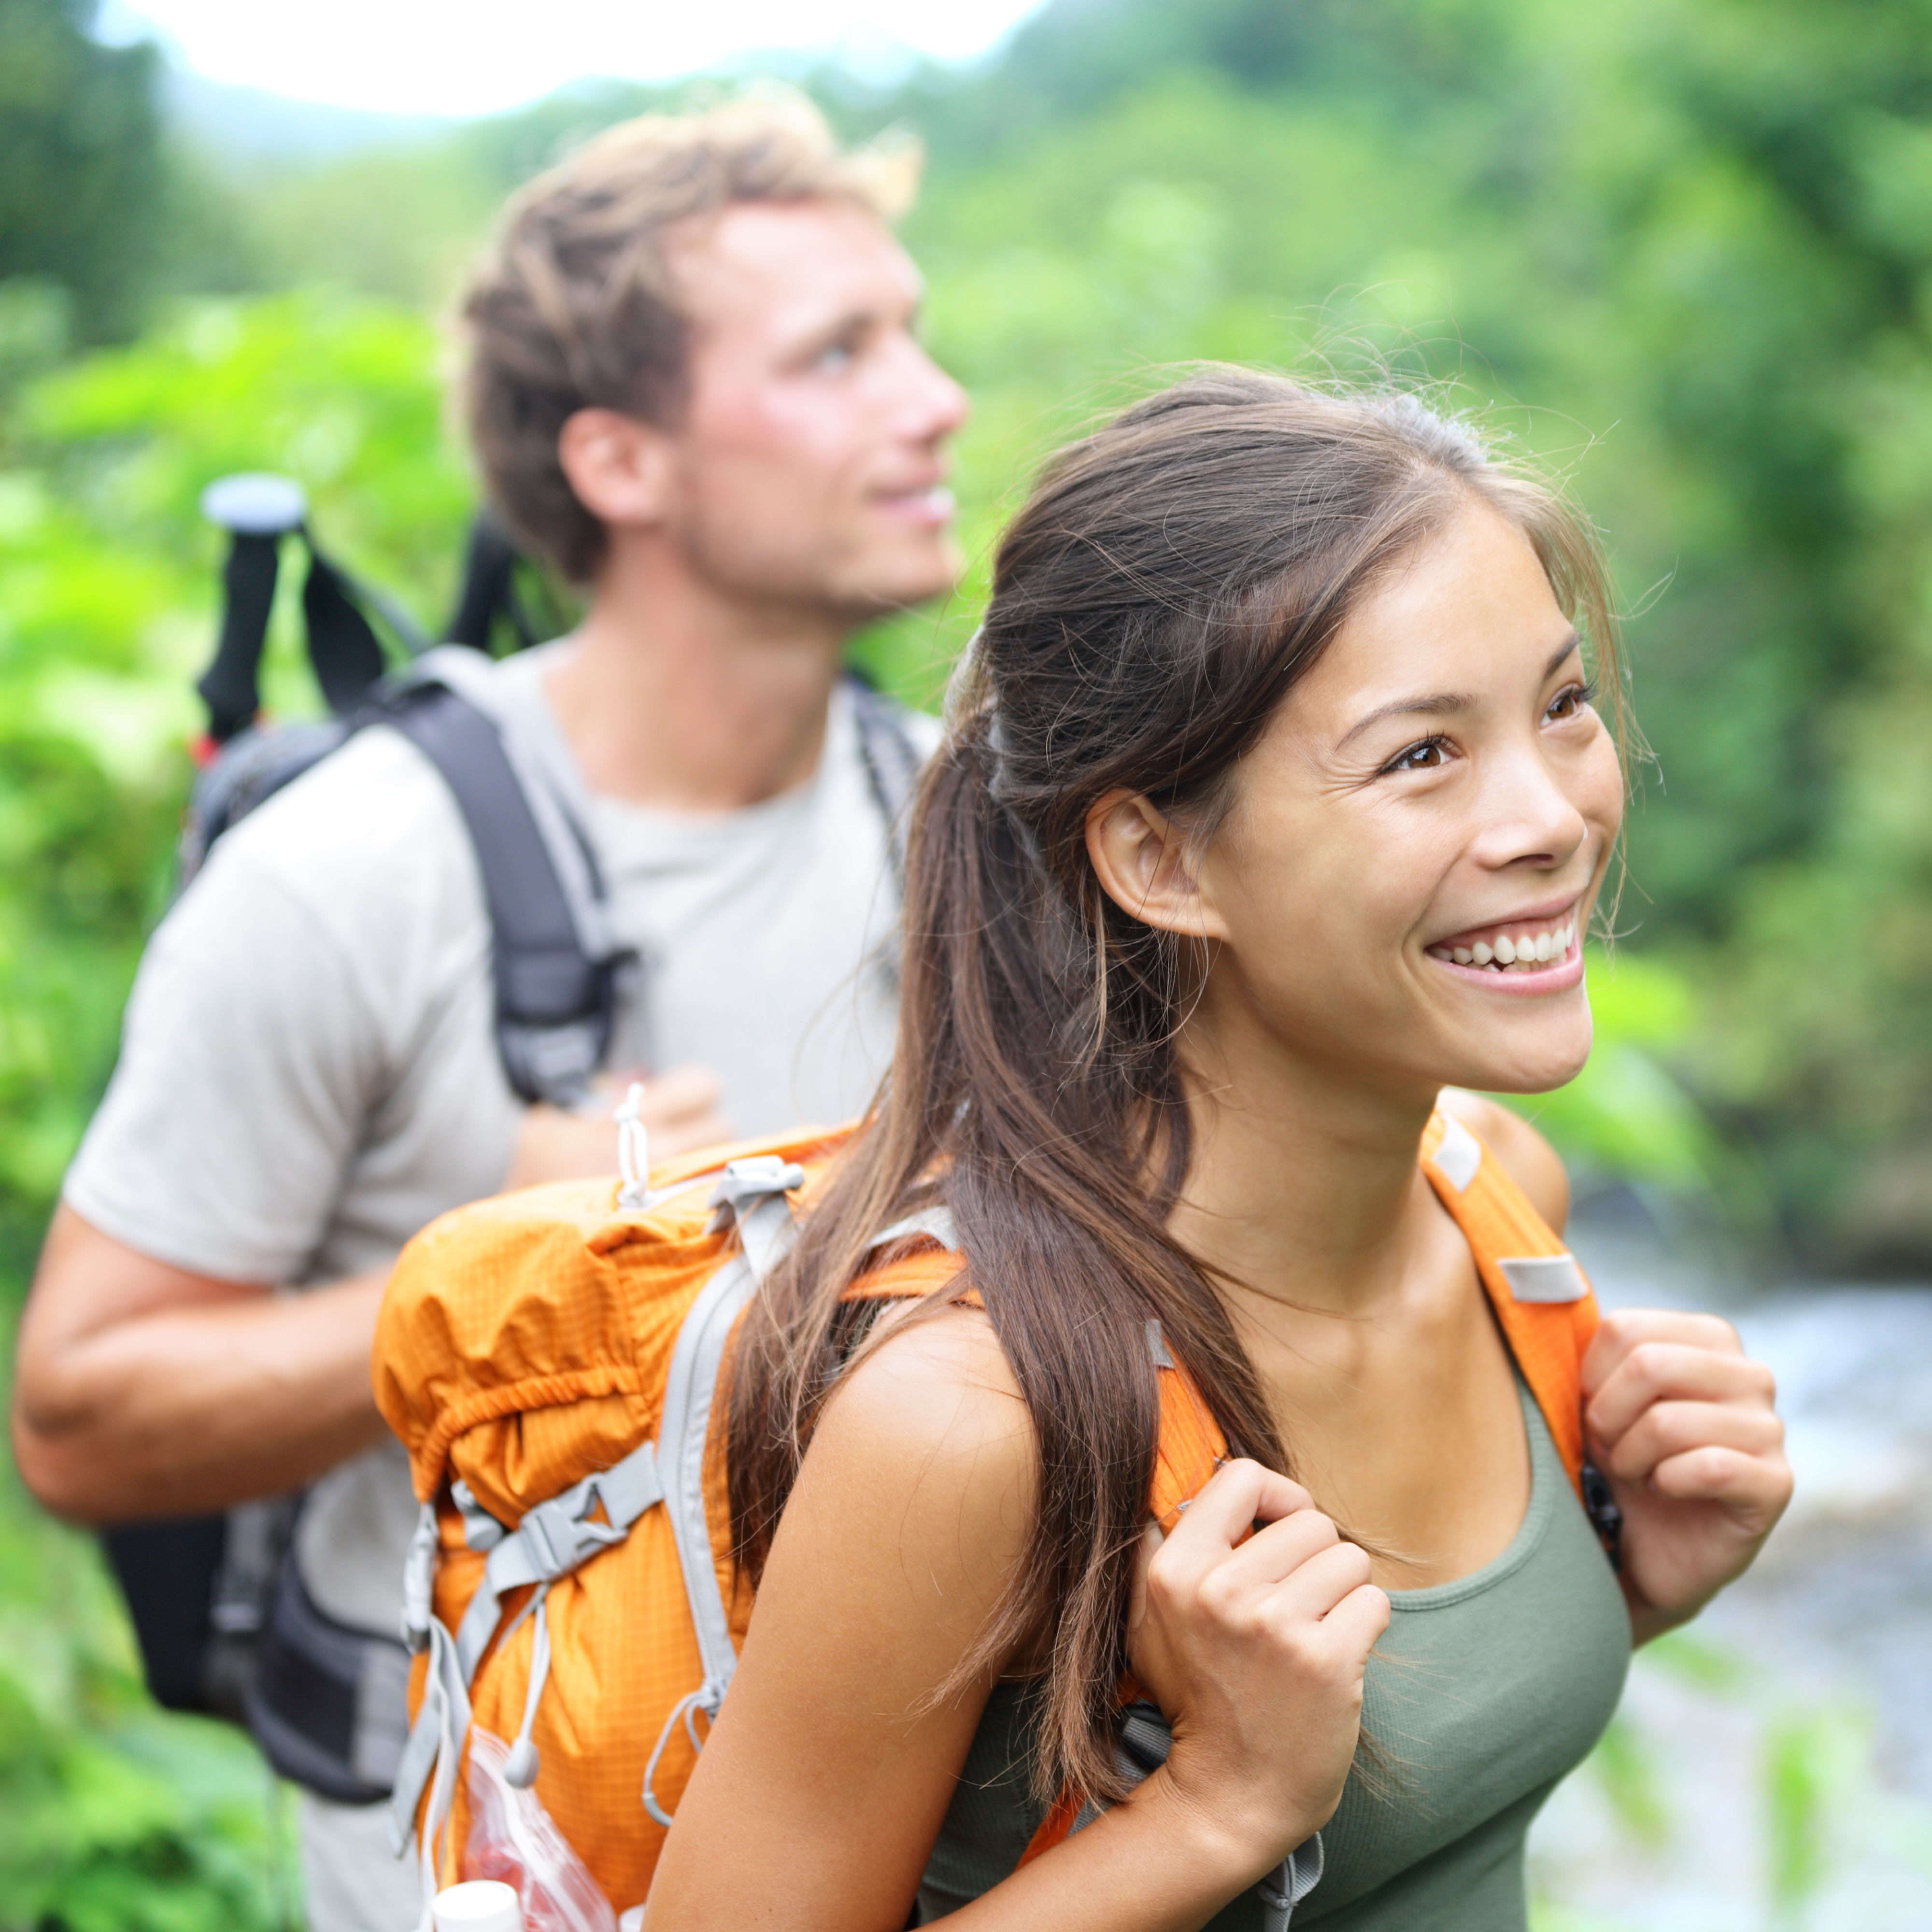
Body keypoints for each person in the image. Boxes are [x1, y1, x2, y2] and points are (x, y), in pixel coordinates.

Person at [643, 370, 1793, 1929]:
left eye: (1562, 705)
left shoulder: (1499, 1205)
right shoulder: (974, 1422)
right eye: (1420, 757)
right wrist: (1219, 1806)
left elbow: (1409, 1796)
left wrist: (1621, 1582)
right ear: (1160, 857)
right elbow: (1277, 1793)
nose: (1553, 817)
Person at [10, 95, 967, 1932]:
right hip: (483, 1859)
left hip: (914, 1834)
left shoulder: (967, 832)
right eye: (839, 354)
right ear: (621, 461)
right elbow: (79, 1420)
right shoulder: (359, 872)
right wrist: (531, 1272)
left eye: (913, 334)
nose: (931, 400)